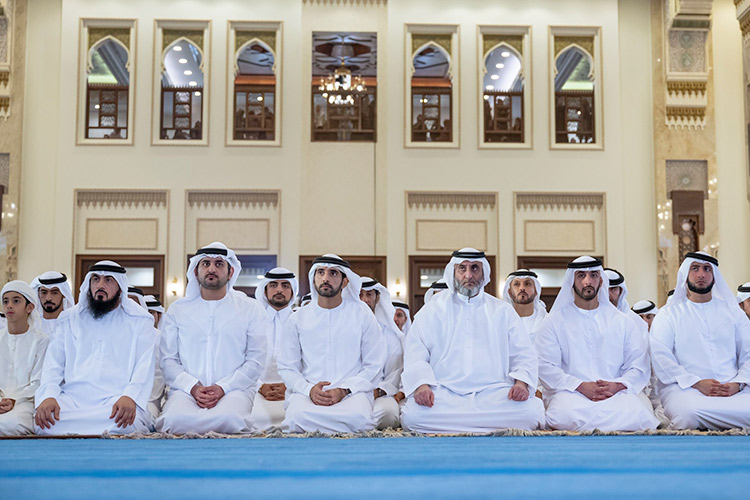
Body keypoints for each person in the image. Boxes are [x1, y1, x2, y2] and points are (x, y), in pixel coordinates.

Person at [401, 248, 544, 434]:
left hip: (493, 393)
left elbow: (523, 353)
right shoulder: (431, 311)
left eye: (475, 268)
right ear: (453, 272)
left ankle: (453, 425)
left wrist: (521, 383)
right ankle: (486, 425)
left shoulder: (502, 311)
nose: (468, 275)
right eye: (462, 268)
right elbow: (415, 354)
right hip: (444, 393)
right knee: (413, 415)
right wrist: (421, 385)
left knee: (531, 412)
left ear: (484, 272)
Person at [535, 256, 658, 432]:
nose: (588, 281)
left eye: (593, 275)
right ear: (572, 281)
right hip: (571, 394)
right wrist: (580, 386)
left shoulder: (622, 321)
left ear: (601, 280)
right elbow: (546, 366)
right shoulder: (553, 322)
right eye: (581, 276)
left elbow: (638, 365)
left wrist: (617, 385)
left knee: (638, 412)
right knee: (561, 415)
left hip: (615, 394)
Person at [157, 242, 268, 434]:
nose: (211, 269)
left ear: (230, 272)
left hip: (235, 390)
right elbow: (168, 360)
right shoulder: (178, 309)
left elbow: (256, 360)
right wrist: (192, 387)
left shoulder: (250, 308)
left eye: (219, 264)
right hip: (187, 391)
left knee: (230, 420)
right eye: (205, 263)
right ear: (195, 272)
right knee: (173, 421)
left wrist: (223, 387)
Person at [35, 261, 157, 435]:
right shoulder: (68, 319)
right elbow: (53, 364)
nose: (100, 285)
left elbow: (144, 366)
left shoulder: (140, 321)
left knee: (127, 423)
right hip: (73, 400)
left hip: (117, 398)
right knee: (44, 422)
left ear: (120, 287)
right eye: (95, 279)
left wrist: (130, 397)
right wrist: (49, 396)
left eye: (108, 280)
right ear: (88, 284)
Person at [278, 254, 385, 434]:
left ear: (344, 282)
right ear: (314, 278)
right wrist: (309, 389)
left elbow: (373, 364)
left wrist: (343, 390)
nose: (326, 278)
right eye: (321, 272)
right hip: (308, 394)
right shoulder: (297, 319)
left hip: (351, 393)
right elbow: (287, 367)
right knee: (296, 418)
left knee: (359, 419)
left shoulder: (362, 315)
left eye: (333, 273)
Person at [650, 252, 750, 430]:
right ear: (686, 275)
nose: (701, 274)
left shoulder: (734, 313)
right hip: (686, 389)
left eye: (707, 269)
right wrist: (696, 383)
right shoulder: (668, 314)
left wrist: (738, 383)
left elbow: (748, 353)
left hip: (733, 389)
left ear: (714, 276)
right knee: (688, 415)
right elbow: (661, 357)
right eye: (694, 269)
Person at [252, 267, 298, 432]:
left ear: (293, 292)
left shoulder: (302, 321)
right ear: (265, 290)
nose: (279, 289)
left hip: (295, 391)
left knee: (300, 418)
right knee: (251, 419)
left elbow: (312, 362)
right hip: (254, 390)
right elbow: (240, 360)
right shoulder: (252, 321)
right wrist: (260, 386)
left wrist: (289, 385)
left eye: (285, 285)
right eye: (273, 285)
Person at [0, 281, 49, 435]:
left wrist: (14, 399)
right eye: (5, 301)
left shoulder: (42, 340)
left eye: (16, 301)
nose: (9, 306)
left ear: (30, 307)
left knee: (11, 424)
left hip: (25, 402)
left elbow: (38, 382)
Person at [360, 277, 404, 429]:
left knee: (389, 413)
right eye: (360, 295)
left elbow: (394, 372)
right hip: (347, 393)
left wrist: (378, 391)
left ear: (377, 298)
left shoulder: (390, 335)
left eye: (369, 295)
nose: (364, 300)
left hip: (379, 393)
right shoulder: (342, 330)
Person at [501, 269, 547, 343]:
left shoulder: (547, 321)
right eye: (517, 284)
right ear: (509, 292)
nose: (522, 288)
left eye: (527, 284)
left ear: (536, 291)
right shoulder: (501, 321)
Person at [603, 268, 648, 335]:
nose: (608, 294)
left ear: (621, 292)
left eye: (613, 289)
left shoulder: (635, 321)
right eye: (604, 289)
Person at [30, 271, 75, 337]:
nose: (48, 298)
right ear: (38, 295)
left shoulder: (73, 325)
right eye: (44, 292)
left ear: (64, 294)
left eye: (54, 292)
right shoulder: (32, 326)